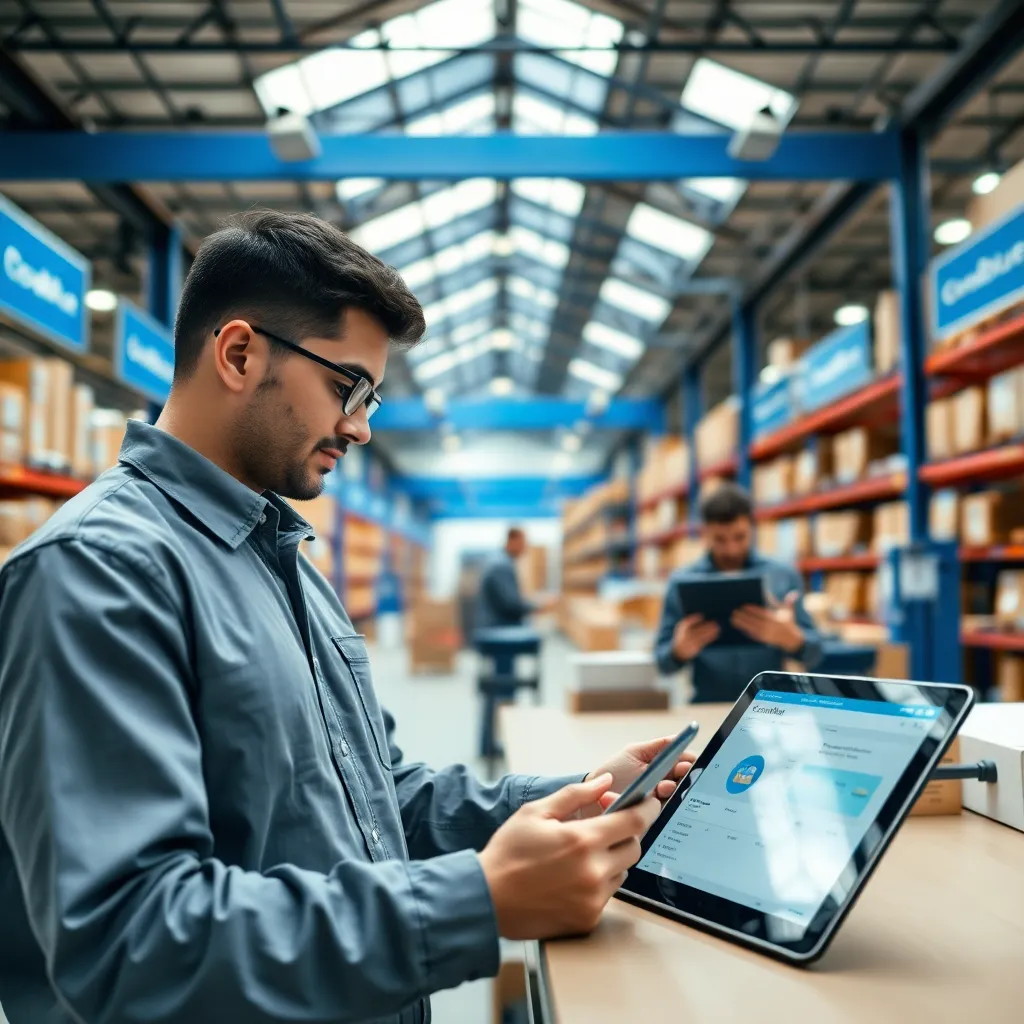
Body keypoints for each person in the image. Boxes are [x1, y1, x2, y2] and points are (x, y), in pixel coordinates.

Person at [0, 210, 694, 1024]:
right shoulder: (99, 573)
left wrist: (577, 795)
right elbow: (131, 941)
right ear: (238, 353)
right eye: (346, 387)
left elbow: (375, 800)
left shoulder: (283, 555)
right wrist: (476, 900)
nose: (360, 426)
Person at [654, 481, 823, 703]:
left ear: (752, 529)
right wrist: (679, 651)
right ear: (705, 533)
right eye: (720, 539)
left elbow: (816, 654)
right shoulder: (681, 582)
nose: (731, 549)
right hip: (708, 705)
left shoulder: (784, 576)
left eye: (739, 537)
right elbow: (662, 663)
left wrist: (792, 639)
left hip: (770, 706)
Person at [475, 525, 549, 629]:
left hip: (496, 624)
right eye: (523, 543)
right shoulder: (501, 565)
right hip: (497, 627)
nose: (525, 548)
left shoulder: (500, 560)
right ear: (512, 541)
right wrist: (538, 607)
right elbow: (511, 605)